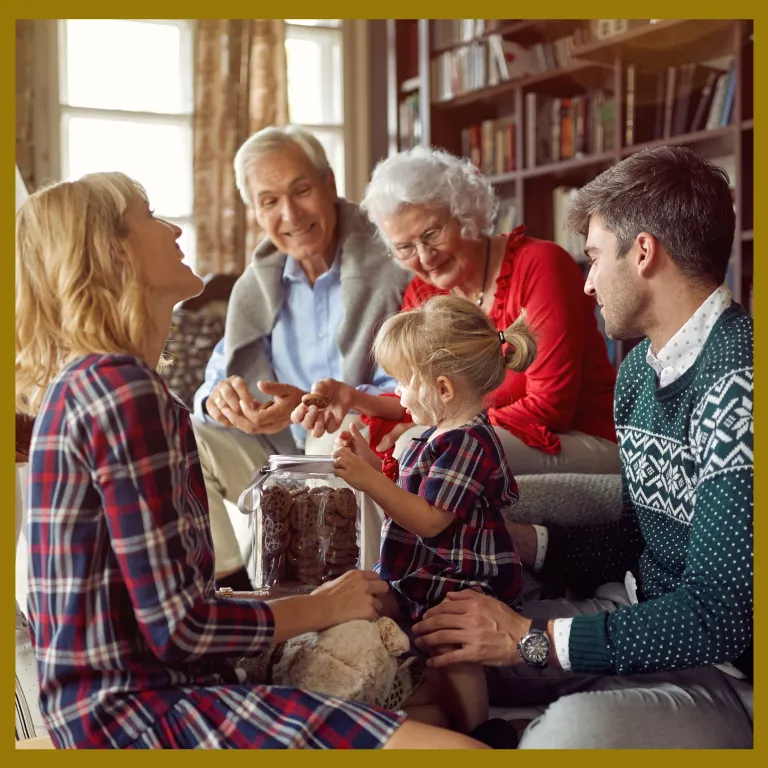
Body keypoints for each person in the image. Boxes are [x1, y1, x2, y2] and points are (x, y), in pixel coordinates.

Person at [15, 171, 487, 750]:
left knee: (431, 710)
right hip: (133, 715)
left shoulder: (100, 381)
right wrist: (318, 606)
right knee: (466, 753)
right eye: (150, 216)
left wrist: (294, 602)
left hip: (122, 699)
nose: (173, 229)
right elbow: (180, 629)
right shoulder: (122, 390)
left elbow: (162, 609)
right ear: (114, 252)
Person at [411, 146, 753, 749]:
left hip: (729, 670)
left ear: (642, 253)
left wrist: (530, 641)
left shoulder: (737, 384)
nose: (588, 281)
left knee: (566, 735)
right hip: (638, 609)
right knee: (444, 643)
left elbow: (722, 615)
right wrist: (529, 543)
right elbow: (647, 531)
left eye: (594, 257)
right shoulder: (640, 370)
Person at [292, 146, 619, 475]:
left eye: (432, 233)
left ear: (465, 213)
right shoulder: (424, 293)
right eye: (405, 247)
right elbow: (418, 398)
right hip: (483, 431)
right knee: (337, 441)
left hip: (575, 438)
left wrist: (435, 430)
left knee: (421, 448)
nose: (424, 256)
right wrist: (352, 398)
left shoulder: (540, 265)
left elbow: (549, 409)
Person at [191, 126, 411, 590]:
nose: (289, 214)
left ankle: (353, 599)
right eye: (269, 201)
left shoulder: (391, 263)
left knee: (334, 439)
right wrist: (219, 400)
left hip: (356, 443)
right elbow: (217, 376)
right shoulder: (258, 283)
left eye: (302, 190)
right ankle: (235, 591)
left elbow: (416, 384)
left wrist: (324, 405)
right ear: (255, 211)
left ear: (330, 184)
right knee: (185, 435)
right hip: (276, 454)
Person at [332, 295, 535, 736]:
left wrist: (371, 484)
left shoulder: (468, 441)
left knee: (452, 646)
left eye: (403, 383)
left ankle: (479, 732)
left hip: (457, 580)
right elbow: (411, 492)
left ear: (443, 389)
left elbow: (429, 519)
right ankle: (420, 704)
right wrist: (371, 465)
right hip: (424, 571)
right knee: (372, 603)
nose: (398, 395)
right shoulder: (436, 435)